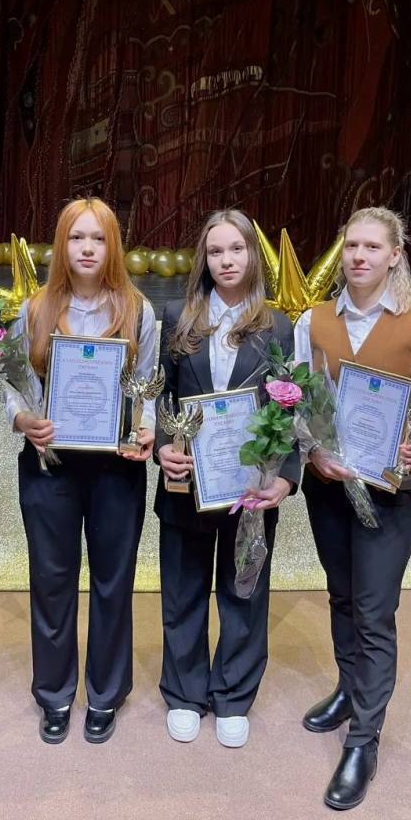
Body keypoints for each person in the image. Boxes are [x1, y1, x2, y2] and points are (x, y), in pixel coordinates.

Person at [294, 205, 411, 810]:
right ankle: (350, 688)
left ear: (395, 255)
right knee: (342, 597)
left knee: (373, 613)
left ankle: (363, 742)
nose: (359, 256)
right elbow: (296, 405)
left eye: (373, 247)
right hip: (328, 488)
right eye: (351, 246)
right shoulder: (314, 321)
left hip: (389, 498)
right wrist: (312, 451)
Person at [7, 197, 156, 745]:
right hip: (51, 465)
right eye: (77, 237)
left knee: (114, 581)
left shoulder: (138, 310)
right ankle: (53, 694)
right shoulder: (34, 309)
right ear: (61, 245)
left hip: (117, 467)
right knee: (52, 580)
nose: (87, 248)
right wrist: (25, 420)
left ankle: (105, 693)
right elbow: (16, 390)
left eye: (98, 238)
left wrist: (146, 429)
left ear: (112, 245)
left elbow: (149, 388)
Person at [154, 209, 299, 748]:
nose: (227, 260)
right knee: (183, 590)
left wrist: (287, 476)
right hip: (187, 483)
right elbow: (163, 396)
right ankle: (185, 692)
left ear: (252, 256)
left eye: (236, 249)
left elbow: (290, 406)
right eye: (216, 252)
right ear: (204, 260)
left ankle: (233, 694)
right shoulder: (178, 316)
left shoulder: (278, 325)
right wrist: (163, 448)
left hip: (250, 487)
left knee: (244, 591)